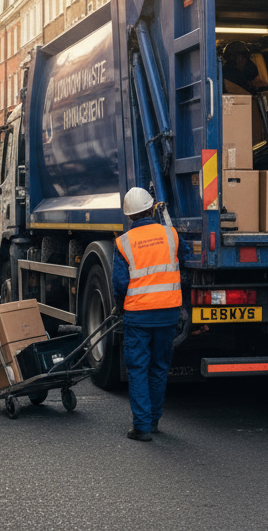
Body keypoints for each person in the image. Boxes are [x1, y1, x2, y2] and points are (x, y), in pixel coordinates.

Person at [112, 187, 183, 442]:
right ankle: (153, 421)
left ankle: (141, 427)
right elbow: (182, 258)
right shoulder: (170, 234)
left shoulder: (123, 242)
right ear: (152, 208)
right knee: (159, 367)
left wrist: (121, 307)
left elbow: (119, 284)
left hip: (139, 315)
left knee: (138, 368)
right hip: (168, 313)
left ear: (129, 216)